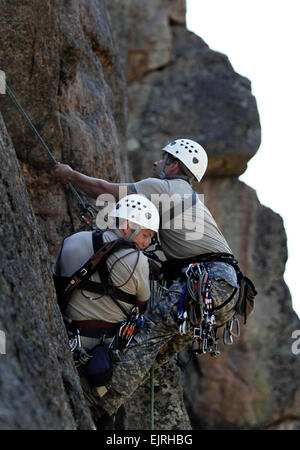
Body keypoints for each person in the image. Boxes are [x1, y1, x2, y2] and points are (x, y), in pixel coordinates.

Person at [54, 138, 255, 426]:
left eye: (162, 160)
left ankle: (98, 402)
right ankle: (107, 397)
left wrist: (69, 175)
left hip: (207, 283)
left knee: (146, 338)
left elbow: (104, 191)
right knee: (159, 352)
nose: (155, 164)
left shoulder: (161, 188)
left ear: (173, 164)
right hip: (223, 290)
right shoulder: (188, 198)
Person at [52, 193, 160, 427]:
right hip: (106, 358)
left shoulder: (73, 241)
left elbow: (55, 284)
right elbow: (143, 306)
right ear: (127, 226)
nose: (146, 243)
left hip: (68, 343)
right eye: (145, 234)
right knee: (112, 422)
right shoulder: (138, 260)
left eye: (149, 238)